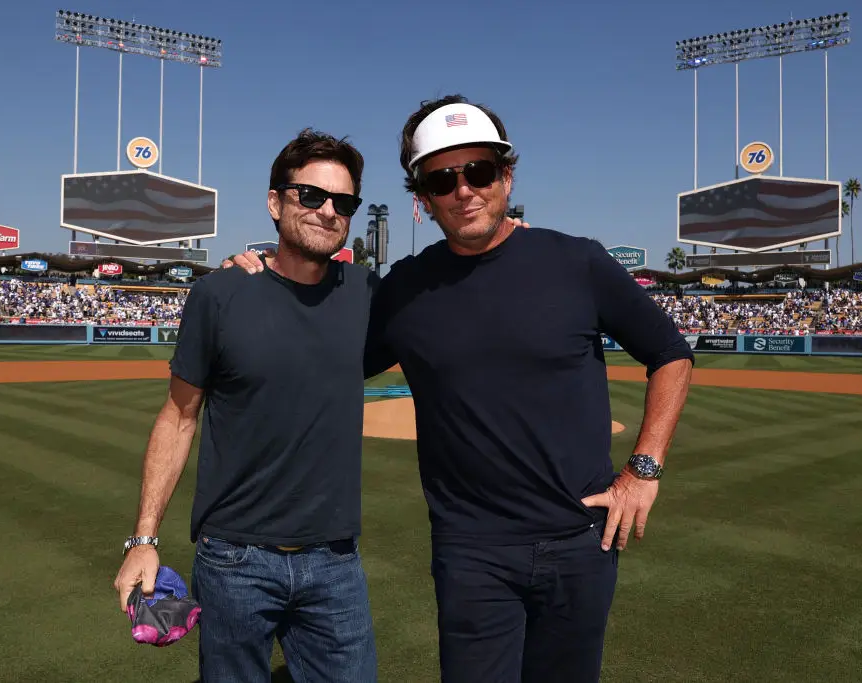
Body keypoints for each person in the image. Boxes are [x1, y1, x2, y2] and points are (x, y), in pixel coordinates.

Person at [230, 94, 695, 683]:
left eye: (479, 171)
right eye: (442, 180)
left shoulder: (577, 262)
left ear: (507, 176)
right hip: (471, 553)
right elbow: (321, 356)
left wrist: (644, 470)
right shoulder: (406, 288)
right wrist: (259, 280)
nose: (464, 190)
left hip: (580, 541)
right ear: (422, 198)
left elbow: (670, 353)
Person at [113, 128, 379, 683]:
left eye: (344, 202)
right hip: (234, 561)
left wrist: (503, 237)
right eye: (311, 195)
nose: (328, 211)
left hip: (335, 562)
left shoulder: (366, 294)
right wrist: (143, 540)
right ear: (275, 202)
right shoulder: (220, 294)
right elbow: (178, 417)